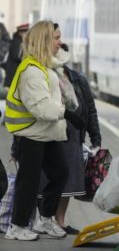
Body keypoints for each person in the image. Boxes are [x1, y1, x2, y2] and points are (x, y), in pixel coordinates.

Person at [4, 21, 85, 241]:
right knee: (28, 182)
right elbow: (41, 107)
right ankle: (17, 226)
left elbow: (59, 63)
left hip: (46, 133)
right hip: (31, 133)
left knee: (60, 173)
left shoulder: (46, 66)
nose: (60, 42)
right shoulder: (32, 71)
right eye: (56, 38)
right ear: (45, 41)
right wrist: (68, 115)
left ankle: (46, 217)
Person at [36, 28, 101, 235]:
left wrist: (95, 136)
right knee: (46, 179)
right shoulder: (40, 74)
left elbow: (89, 108)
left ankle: (60, 220)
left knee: (69, 180)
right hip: (48, 134)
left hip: (72, 136)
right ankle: (44, 218)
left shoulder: (77, 79)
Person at [3, 23, 29, 88]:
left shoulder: (20, 42)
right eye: (26, 33)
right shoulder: (16, 42)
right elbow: (18, 56)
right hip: (13, 76)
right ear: (21, 33)